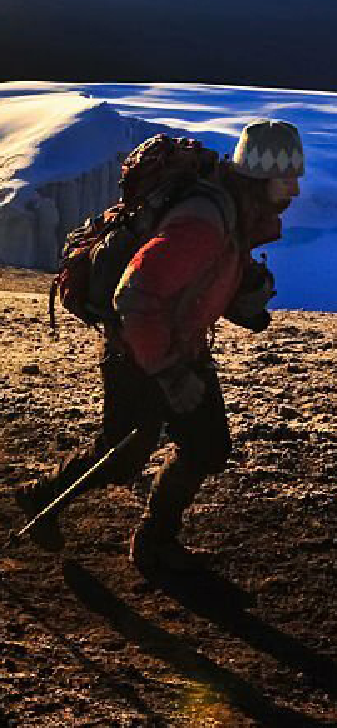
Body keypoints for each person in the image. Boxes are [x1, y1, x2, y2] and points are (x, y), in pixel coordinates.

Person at [16, 119, 303, 571]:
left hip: (179, 347)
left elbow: (199, 278)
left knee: (204, 446)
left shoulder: (232, 211)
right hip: (139, 351)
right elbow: (136, 295)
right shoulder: (204, 221)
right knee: (122, 454)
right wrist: (168, 372)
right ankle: (42, 496)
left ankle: (155, 541)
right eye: (287, 179)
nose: (296, 191)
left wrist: (242, 295)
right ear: (258, 178)